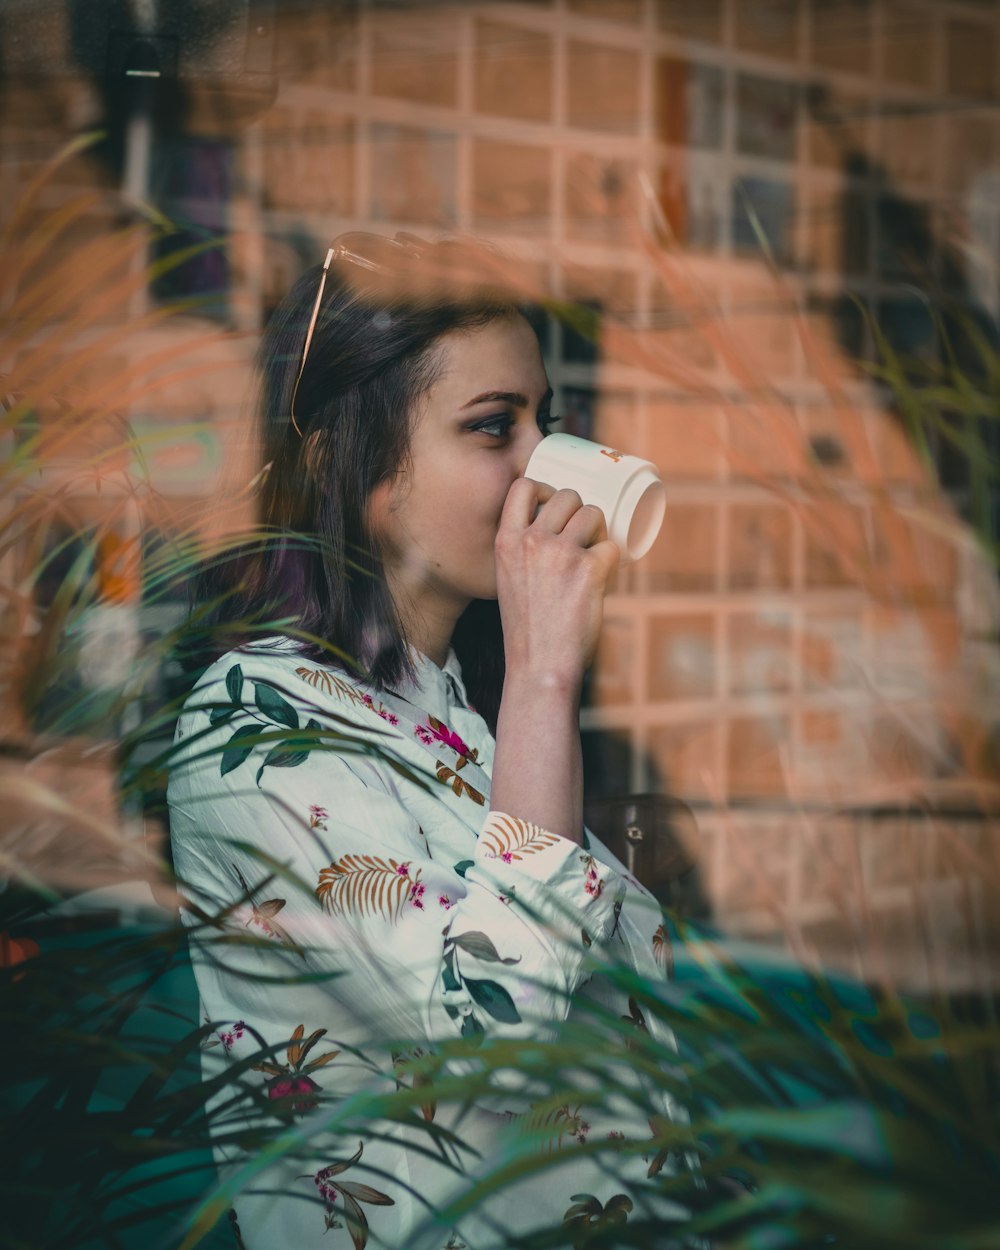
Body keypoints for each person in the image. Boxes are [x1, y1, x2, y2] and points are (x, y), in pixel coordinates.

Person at [167, 233, 688, 1250]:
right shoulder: (252, 726)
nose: (543, 462)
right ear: (348, 458)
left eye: (549, 420)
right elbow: (494, 1026)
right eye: (494, 426)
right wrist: (546, 676)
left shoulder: (445, 695)